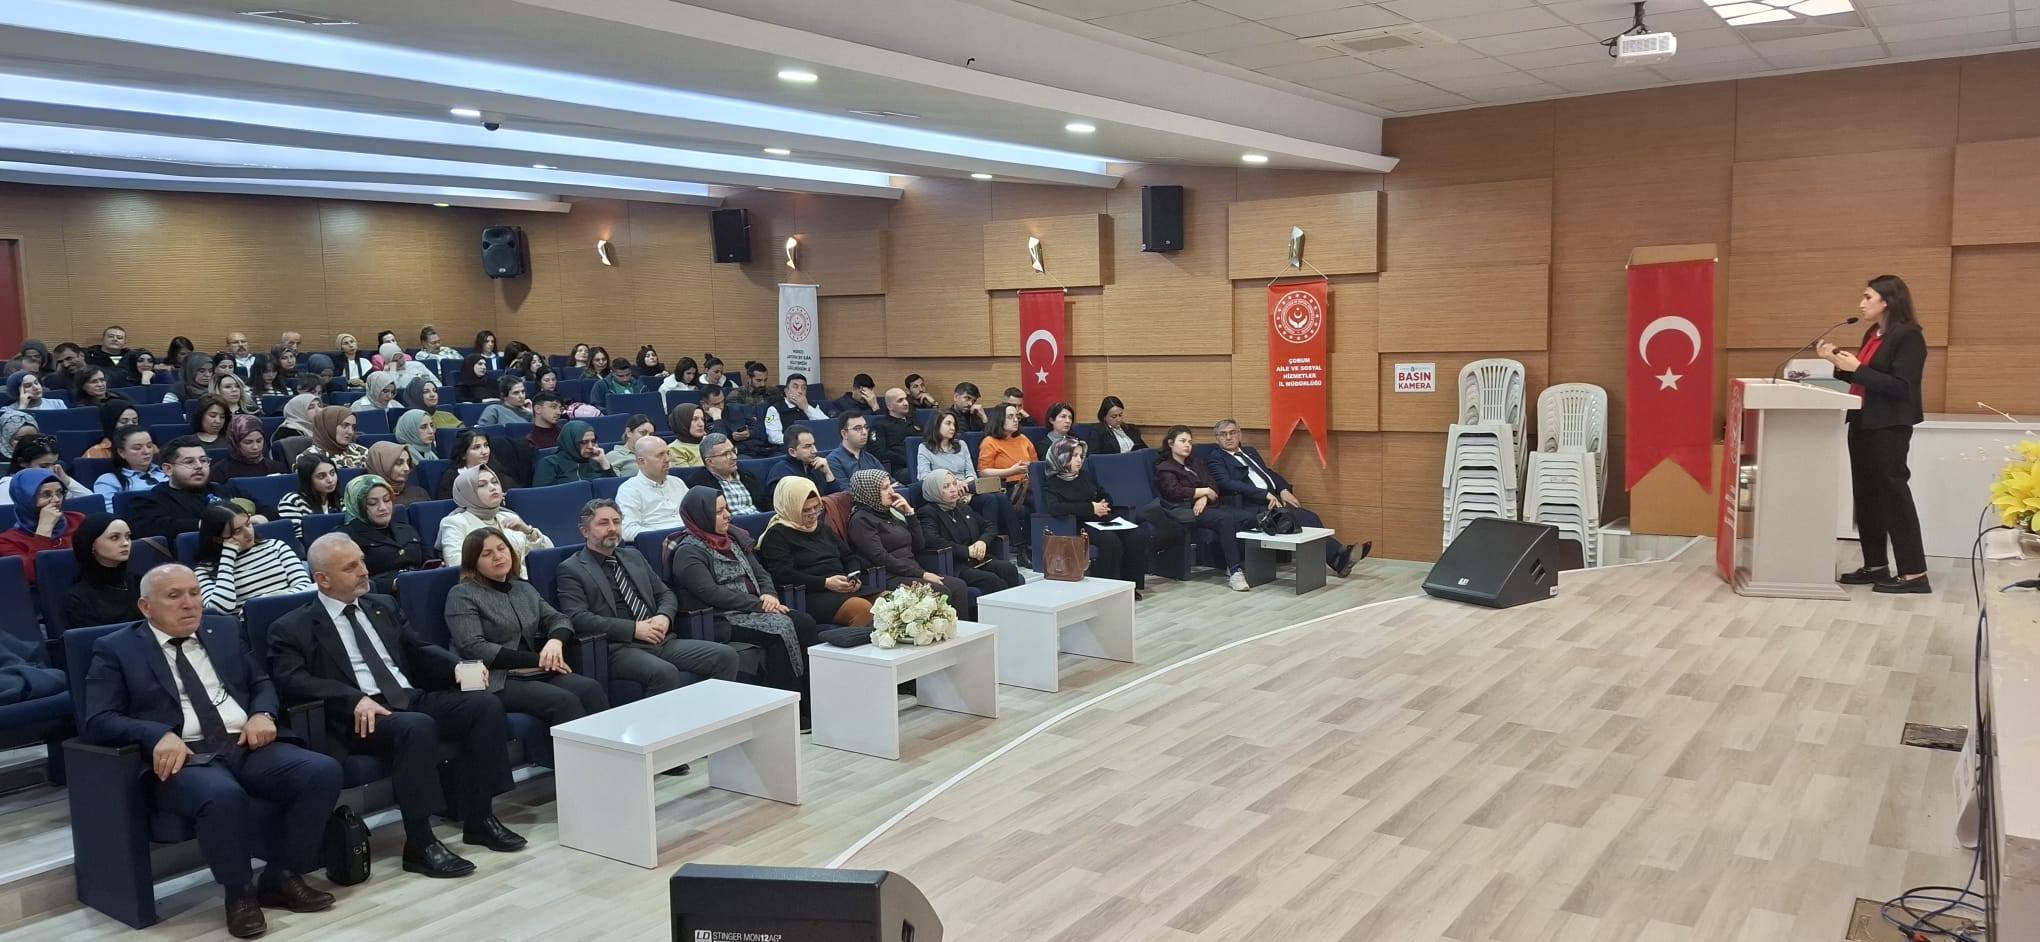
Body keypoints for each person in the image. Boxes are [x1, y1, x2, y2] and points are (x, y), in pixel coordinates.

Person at [80, 564, 341, 939]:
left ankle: (281, 874)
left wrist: (262, 713)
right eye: (174, 596)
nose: (189, 604)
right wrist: (155, 734)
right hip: (184, 757)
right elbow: (99, 719)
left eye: (194, 593)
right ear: (145, 606)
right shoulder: (116, 649)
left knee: (321, 771)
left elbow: (261, 682)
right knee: (222, 795)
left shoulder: (224, 629)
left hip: (242, 742)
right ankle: (240, 894)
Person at [268, 532, 520, 878]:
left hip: (408, 698)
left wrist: (456, 667)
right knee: (416, 726)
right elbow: (292, 680)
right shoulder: (291, 626)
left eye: (362, 561)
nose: (363, 570)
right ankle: (420, 843)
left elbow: (418, 649)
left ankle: (479, 818)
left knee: (483, 706)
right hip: (360, 717)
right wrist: (352, 698)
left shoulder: (381, 605)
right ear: (322, 579)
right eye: (350, 567)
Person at [665, 487, 817, 724]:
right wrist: (759, 604)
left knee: (804, 623)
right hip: (719, 619)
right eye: (719, 511)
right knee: (778, 631)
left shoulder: (732, 539)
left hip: (755, 608)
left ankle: (812, 701)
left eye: (726, 508)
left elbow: (761, 573)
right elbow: (711, 593)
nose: (728, 515)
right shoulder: (688, 552)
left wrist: (769, 595)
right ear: (702, 515)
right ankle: (788, 714)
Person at [559, 498, 741, 695]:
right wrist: (634, 629)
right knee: (664, 672)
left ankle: (713, 712)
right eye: (604, 523)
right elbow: (578, 617)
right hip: (619, 648)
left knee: (726, 656)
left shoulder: (633, 556)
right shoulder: (572, 569)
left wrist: (664, 616)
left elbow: (665, 594)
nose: (612, 528)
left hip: (660, 639)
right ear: (585, 531)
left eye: (617, 522)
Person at [1821, 273, 1931, 593]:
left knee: (1893, 496)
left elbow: (1901, 387)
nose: (1861, 303)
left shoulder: (1909, 336)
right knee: (1866, 495)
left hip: (1889, 426)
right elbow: (1864, 378)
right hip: (1862, 421)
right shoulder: (1873, 333)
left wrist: (1857, 368)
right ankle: (1876, 565)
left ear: (1888, 300)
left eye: (1867, 297)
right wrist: (1836, 364)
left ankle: (1914, 574)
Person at [446, 528, 608, 727]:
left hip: (534, 670)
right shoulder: (462, 594)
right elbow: (473, 647)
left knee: (591, 689)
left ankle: (606, 747)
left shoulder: (523, 588)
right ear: (473, 562)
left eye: (501, 548)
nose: (498, 556)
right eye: (487, 554)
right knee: (564, 701)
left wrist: (555, 641)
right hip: (495, 678)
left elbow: (558, 618)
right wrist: (539, 660)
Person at [1207, 419, 1360, 576]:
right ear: (1217, 438)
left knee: (1309, 516)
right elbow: (1226, 483)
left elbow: (1267, 472)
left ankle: (1338, 558)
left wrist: (1283, 489)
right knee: (1300, 517)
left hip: (1270, 503)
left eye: (1232, 433)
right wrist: (1263, 494)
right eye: (1223, 434)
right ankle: (1338, 557)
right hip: (1248, 506)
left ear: (1240, 434)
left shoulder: (1249, 451)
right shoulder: (1216, 458)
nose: (1228, 437)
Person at [843, 469, 972, 616]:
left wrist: (909, 513)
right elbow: (880, 557)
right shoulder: (861, 520)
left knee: (958, 586)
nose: (892, 492)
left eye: (890, 486)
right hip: (888, 577)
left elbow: (919, 546)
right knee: (941, 592)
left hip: (912, 571)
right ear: (869, 492)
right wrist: (922, 574)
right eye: (885, 488)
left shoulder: (890, 512)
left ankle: (961, 630)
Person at [756, 477, 875, 628]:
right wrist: (825, 583)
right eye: (806, 510)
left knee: (890, 601)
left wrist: (853, 576)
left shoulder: (822, 527)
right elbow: (783, 574)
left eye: (817, 507)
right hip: (809, 594)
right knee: (863, 610)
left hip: (841, 586)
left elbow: (849, 556)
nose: (813, 514)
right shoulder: (777, 535)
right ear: (791, 507)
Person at [1149, 425, 1255, 591]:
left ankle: (1234, 562)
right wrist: (1203, 492)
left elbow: (1213, 484)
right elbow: (1174, 492)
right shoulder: (1165, 468)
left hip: (1207, 506)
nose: (1187, 445)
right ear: (1170, 443)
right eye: (1182, 441)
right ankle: (1235, 571)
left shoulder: (1196, 462)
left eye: (1190, 442)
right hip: (1185, 510)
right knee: (1225, 519)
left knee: (1247, 517)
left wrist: (1204, 497)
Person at [1042, 438, 1151, 598]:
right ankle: (1109, 588)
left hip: (1101, 519)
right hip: (1077, 524)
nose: (1079, 460)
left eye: (1081, 456)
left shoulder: (1084, 476)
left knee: (1136, 535)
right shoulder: (1052, 483)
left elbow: (1103, 493)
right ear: (1061, 457)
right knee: (1110, 541)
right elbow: (1055, 508)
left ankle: (1129, 586)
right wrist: (1090, 508)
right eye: (1074, 456)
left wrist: (1104, 503)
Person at [918, 411, 1021, 554]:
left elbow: (971, 473)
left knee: (1001, 498)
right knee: (990, 499)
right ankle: (988, 545)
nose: (953, 427)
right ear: (936, 425)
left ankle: (1018, 545)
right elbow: (924, 477)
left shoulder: (961, 445)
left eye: (954, 424)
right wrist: (954, 483)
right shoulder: (925, 448)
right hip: (944, 491)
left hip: (967, 489)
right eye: (948, 423)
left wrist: (964, 483)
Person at [917, 469, 1023, 598]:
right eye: (946, 486)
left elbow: (989, 527)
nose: (953, 489)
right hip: (954, 565)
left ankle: (1014, 606)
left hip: (976, 561)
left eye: (954, 484)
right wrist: (966, 551)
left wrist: (982, 541)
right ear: (934, 490)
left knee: (1008, 569)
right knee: (991, 580)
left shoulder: (963, 508)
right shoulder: (927, 513)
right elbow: (932, 540)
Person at [193, 504, 313, 616]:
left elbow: (304, 585)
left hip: (295, 614)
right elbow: (219, 610)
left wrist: (269, 603)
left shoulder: (276, 546)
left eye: (248, 524)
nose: (248, 533)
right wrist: (227, 559)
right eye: (237, 531)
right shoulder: (204, 570)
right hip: (253, 624)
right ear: (218, 539)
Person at [439, 467, 552, 574]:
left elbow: (547, 555)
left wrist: (528, 531)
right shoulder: (455, 523)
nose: (493, 487)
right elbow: (457, 565)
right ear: (468, 493)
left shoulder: (508, 516)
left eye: (495, 482)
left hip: (527, 581)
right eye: (482, 485)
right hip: (487, 585)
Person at [128, 436, 237, 539]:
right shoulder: (150, 501)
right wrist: (206, 525)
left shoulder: (221, 490)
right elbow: (156, 527)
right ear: (168, 469)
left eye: (203, 460)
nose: (199, 466)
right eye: (189, 462)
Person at [337, 472, 426, 596]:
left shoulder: (407, 529)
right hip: (378, 599)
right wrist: (391, 584)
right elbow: (348, 581)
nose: (383, 507)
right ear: (357, 506)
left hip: (421, 589)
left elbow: (427, 561)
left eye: (387, 500)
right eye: (372, 503)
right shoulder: (345, 537)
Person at [0, 468, 85, 584]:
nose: (56, 500)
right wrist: (44, 529)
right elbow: (33, 577)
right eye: (46, 495)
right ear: (25, 499)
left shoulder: (77, 520)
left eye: (59, 492)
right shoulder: (7, 541)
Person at [67, 513, 139, 628]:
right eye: (114, 538)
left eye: (128, 537)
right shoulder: (79, 598)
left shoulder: (140, 583)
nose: (125, 543)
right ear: (92, 544)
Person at [685, 433, 768, 515]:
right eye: (726, 454)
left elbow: (765, 506)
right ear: (710, 462)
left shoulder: (747, 475)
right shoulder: (699, 486)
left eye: (733, 451)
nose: (734, 457)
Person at [93, 425, 168, 512]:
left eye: (149, 446)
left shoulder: (168, 472)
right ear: (121, 452)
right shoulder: (109, 481)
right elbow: (111, 514)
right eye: (137, 448)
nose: (146, 452)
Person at [435, 429, 528, 498]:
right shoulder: (452, 477)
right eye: (476, 447)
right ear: (463, 454)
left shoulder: (495, 469)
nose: (484, 452)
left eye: (486, 445)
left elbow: (516, 495)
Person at [977, 404, 1037, 510]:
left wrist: (1030, 466)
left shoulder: (1023, 439)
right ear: (999, 419)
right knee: (1037, 500)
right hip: (1007, 486)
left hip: (1030, 483)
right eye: (1010, 417)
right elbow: (983, 472)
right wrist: (1011, 471)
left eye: (1017, 416)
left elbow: (1036, 464)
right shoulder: (989, 442)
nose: (1015, 420)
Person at [534, 418, 615, 485]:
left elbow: (614, 489)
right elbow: (542, 496)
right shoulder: (550, 464)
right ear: (570, 442)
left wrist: (604, 463)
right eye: (584, 442)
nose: (590, 446)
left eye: (593, 441)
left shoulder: (596, 461)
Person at [766, 423, 839, 496]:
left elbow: (836, 499)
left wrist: (828, 473)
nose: (815, 450)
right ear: (792, 452)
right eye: (807, 446)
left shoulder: (817, 466)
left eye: (813, 444)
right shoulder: (782, 474)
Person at [277, 452, 344, 532]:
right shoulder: (292, 501)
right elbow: (296, 537)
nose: (330, 480)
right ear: (307, 479)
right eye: (321, 476)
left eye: (332, 473)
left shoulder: (340, 499)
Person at [214, 415, 286, 484]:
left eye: (259, 441)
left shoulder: (277, 468)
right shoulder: (219, 472)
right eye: (248, 442)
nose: (255, 447)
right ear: (235, 443)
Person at [868, 387, 923, 479]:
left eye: (905, 399)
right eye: (900, 400)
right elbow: (878, 452)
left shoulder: (915, 423)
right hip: (898, 469)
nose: (906, 403)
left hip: (921, 464)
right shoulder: (879, 425)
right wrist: (904, 458)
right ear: (890, 406)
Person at [761, 372, 828, 447]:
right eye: (795, 387)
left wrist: (806, 408)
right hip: (788, 448)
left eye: (804, 388)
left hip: (813, 446)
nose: (800, 391)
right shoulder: (774, 409)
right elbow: (773, 437)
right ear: (786, 391)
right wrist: (798, 442)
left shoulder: (811, 405)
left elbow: (827, 425)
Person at [826, 411, 886, 486]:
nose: (864, 432)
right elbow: (844, 491)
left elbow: (890, 482)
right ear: (844, 434)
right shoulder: (834, 460)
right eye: (858, 428)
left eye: (866, 427)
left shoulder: (870, 458)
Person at [365, 440, 430, 506]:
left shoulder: (419, 492)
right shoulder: (368, 499)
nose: (407, 468)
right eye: (399, 463)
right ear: (380, 465)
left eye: (408, 462)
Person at [667, 403, 707, 468]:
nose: (701, 424)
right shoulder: (674, 449)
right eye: (695, 419)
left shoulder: (708, 441)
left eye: (702, 419)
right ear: (682, 423)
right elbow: (685, 474)